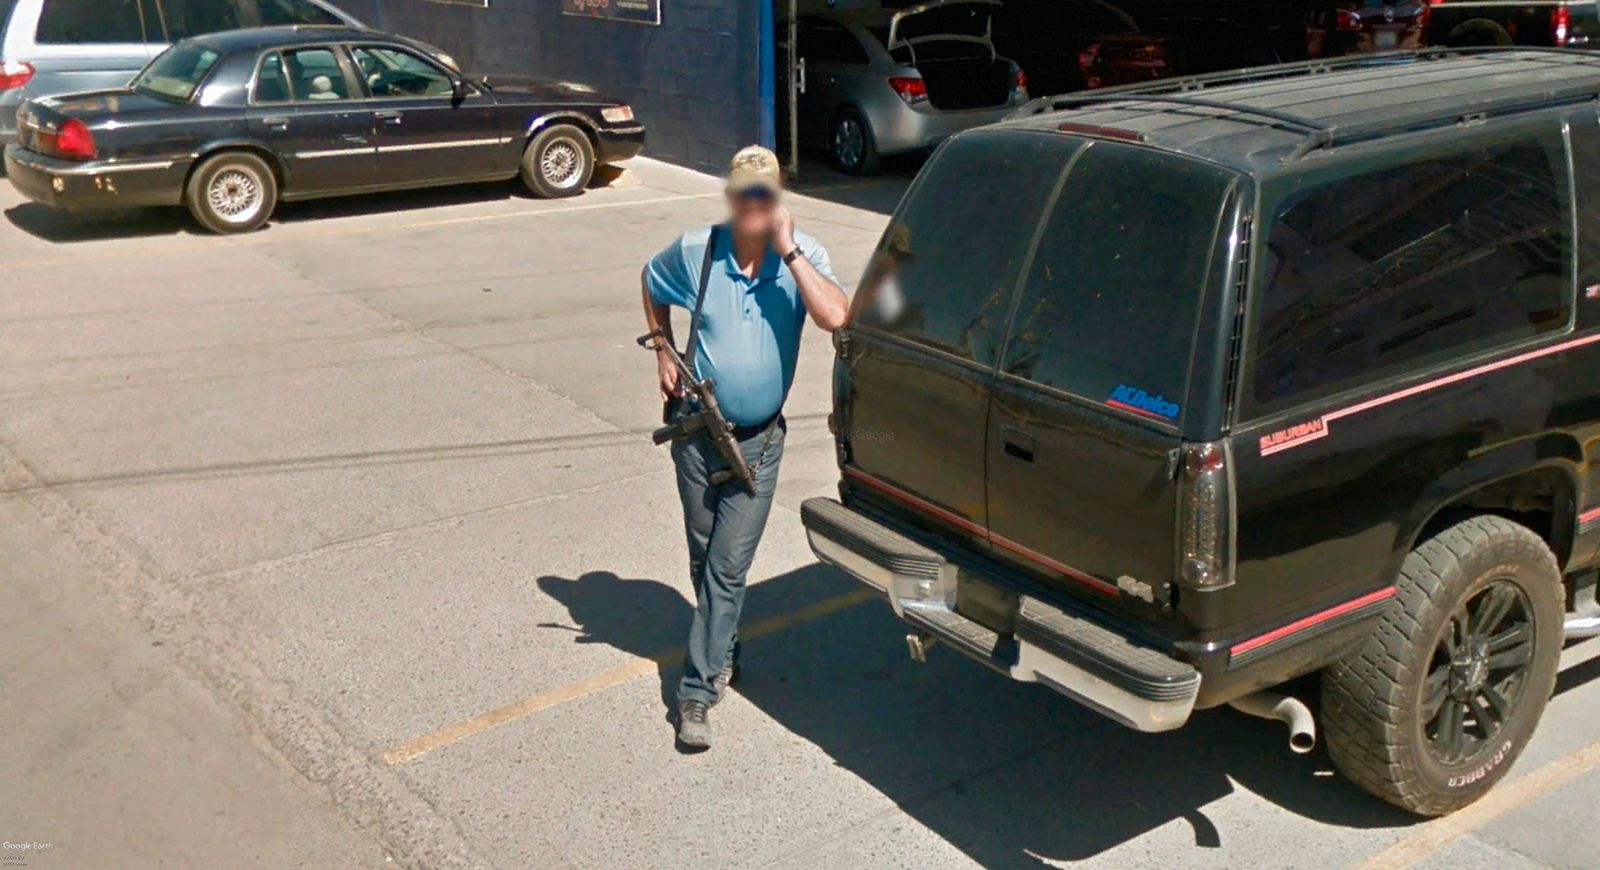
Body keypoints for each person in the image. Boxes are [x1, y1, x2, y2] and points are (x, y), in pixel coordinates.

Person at [640, 145, 849, 748]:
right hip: (697, 435)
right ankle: (723, 645)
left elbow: (837, 316)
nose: (753, 204)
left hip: (757, 446)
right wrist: (662, 346)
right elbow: (650, 283)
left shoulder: (803, 255)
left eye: (765, 193)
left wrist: (789, 250)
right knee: (706, 559)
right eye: (743, 192)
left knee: (728, 569)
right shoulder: (694, 251)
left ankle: (697, 694)